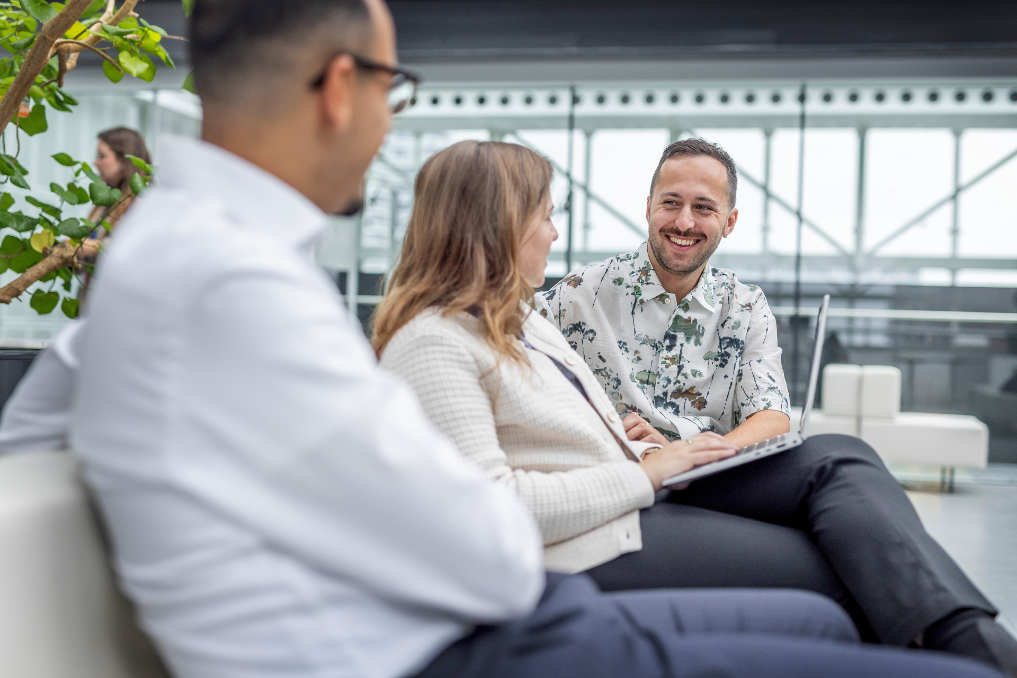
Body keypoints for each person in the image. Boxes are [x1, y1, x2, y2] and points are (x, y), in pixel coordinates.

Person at [61, 0, 1006, 675]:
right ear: (343, 88)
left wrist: (626, 447)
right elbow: (478, 533)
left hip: (549, 561)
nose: (555, 235)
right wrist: (639, 466)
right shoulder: (243, 286)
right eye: (395, 87)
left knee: (837, 506)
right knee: (834, 584)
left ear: (727, 221)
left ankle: (967, 638)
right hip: (505, 608)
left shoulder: (196, 263)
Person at [527, 138, 1017, 672]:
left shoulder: (744, 304)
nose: (684, 222)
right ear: (648, 207)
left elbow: (772, 415)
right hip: (634, 477)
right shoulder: (578, 294)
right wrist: (611, 432)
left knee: (843, 456)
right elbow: (528, 386)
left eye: (704, 207)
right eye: (671, 203)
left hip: (710, 472)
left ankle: (967, 645)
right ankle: (974, 647)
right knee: (846, 504)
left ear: (729, 222)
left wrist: (697, 453)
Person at [82, 127, 151, 260]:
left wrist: (95, 247)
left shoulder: (146, 198)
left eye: (101, 156)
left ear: (125, 161)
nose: (95, 162)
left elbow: (141, 248)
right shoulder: (109, 199)